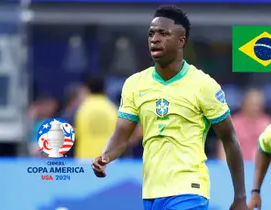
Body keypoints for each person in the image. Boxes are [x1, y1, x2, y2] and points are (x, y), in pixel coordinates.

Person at [92, 5, 247, 210]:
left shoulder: (204, 85)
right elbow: (122, 135)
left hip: (189, 189)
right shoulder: (134, 84)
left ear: (181, 41)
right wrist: (106, 156)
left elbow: (229, 138)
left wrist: (240, 197)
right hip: (151, 192)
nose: (155, 39)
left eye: (163, 33)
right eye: (151, 34)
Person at [75, 75, 118, 159]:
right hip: (108, 160)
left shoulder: (81, 109)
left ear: (87, 89)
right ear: (104, 89)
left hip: (85, 158)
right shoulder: (112, 109)